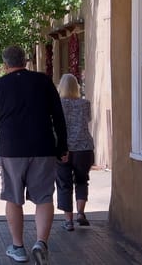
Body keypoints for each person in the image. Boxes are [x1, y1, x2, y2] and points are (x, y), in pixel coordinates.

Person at [0, 45, 68, 264]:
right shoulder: (44, 81)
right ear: (25, 61)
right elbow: (58, 116)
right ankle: (41, 243)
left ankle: (18, 248)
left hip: (12, 150)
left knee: (13, 198)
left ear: (5, 64)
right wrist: (63, 147)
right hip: (43, 147)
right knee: (44, 197)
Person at [55, 74, 95, 232]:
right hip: (84, 147)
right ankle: (80, 213)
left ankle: (68, 221)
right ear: (76, 87)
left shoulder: (58, 104)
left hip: (64, 149)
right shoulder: (85, 103)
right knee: (82, 180)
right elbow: (88, 120)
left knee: (64, 184)